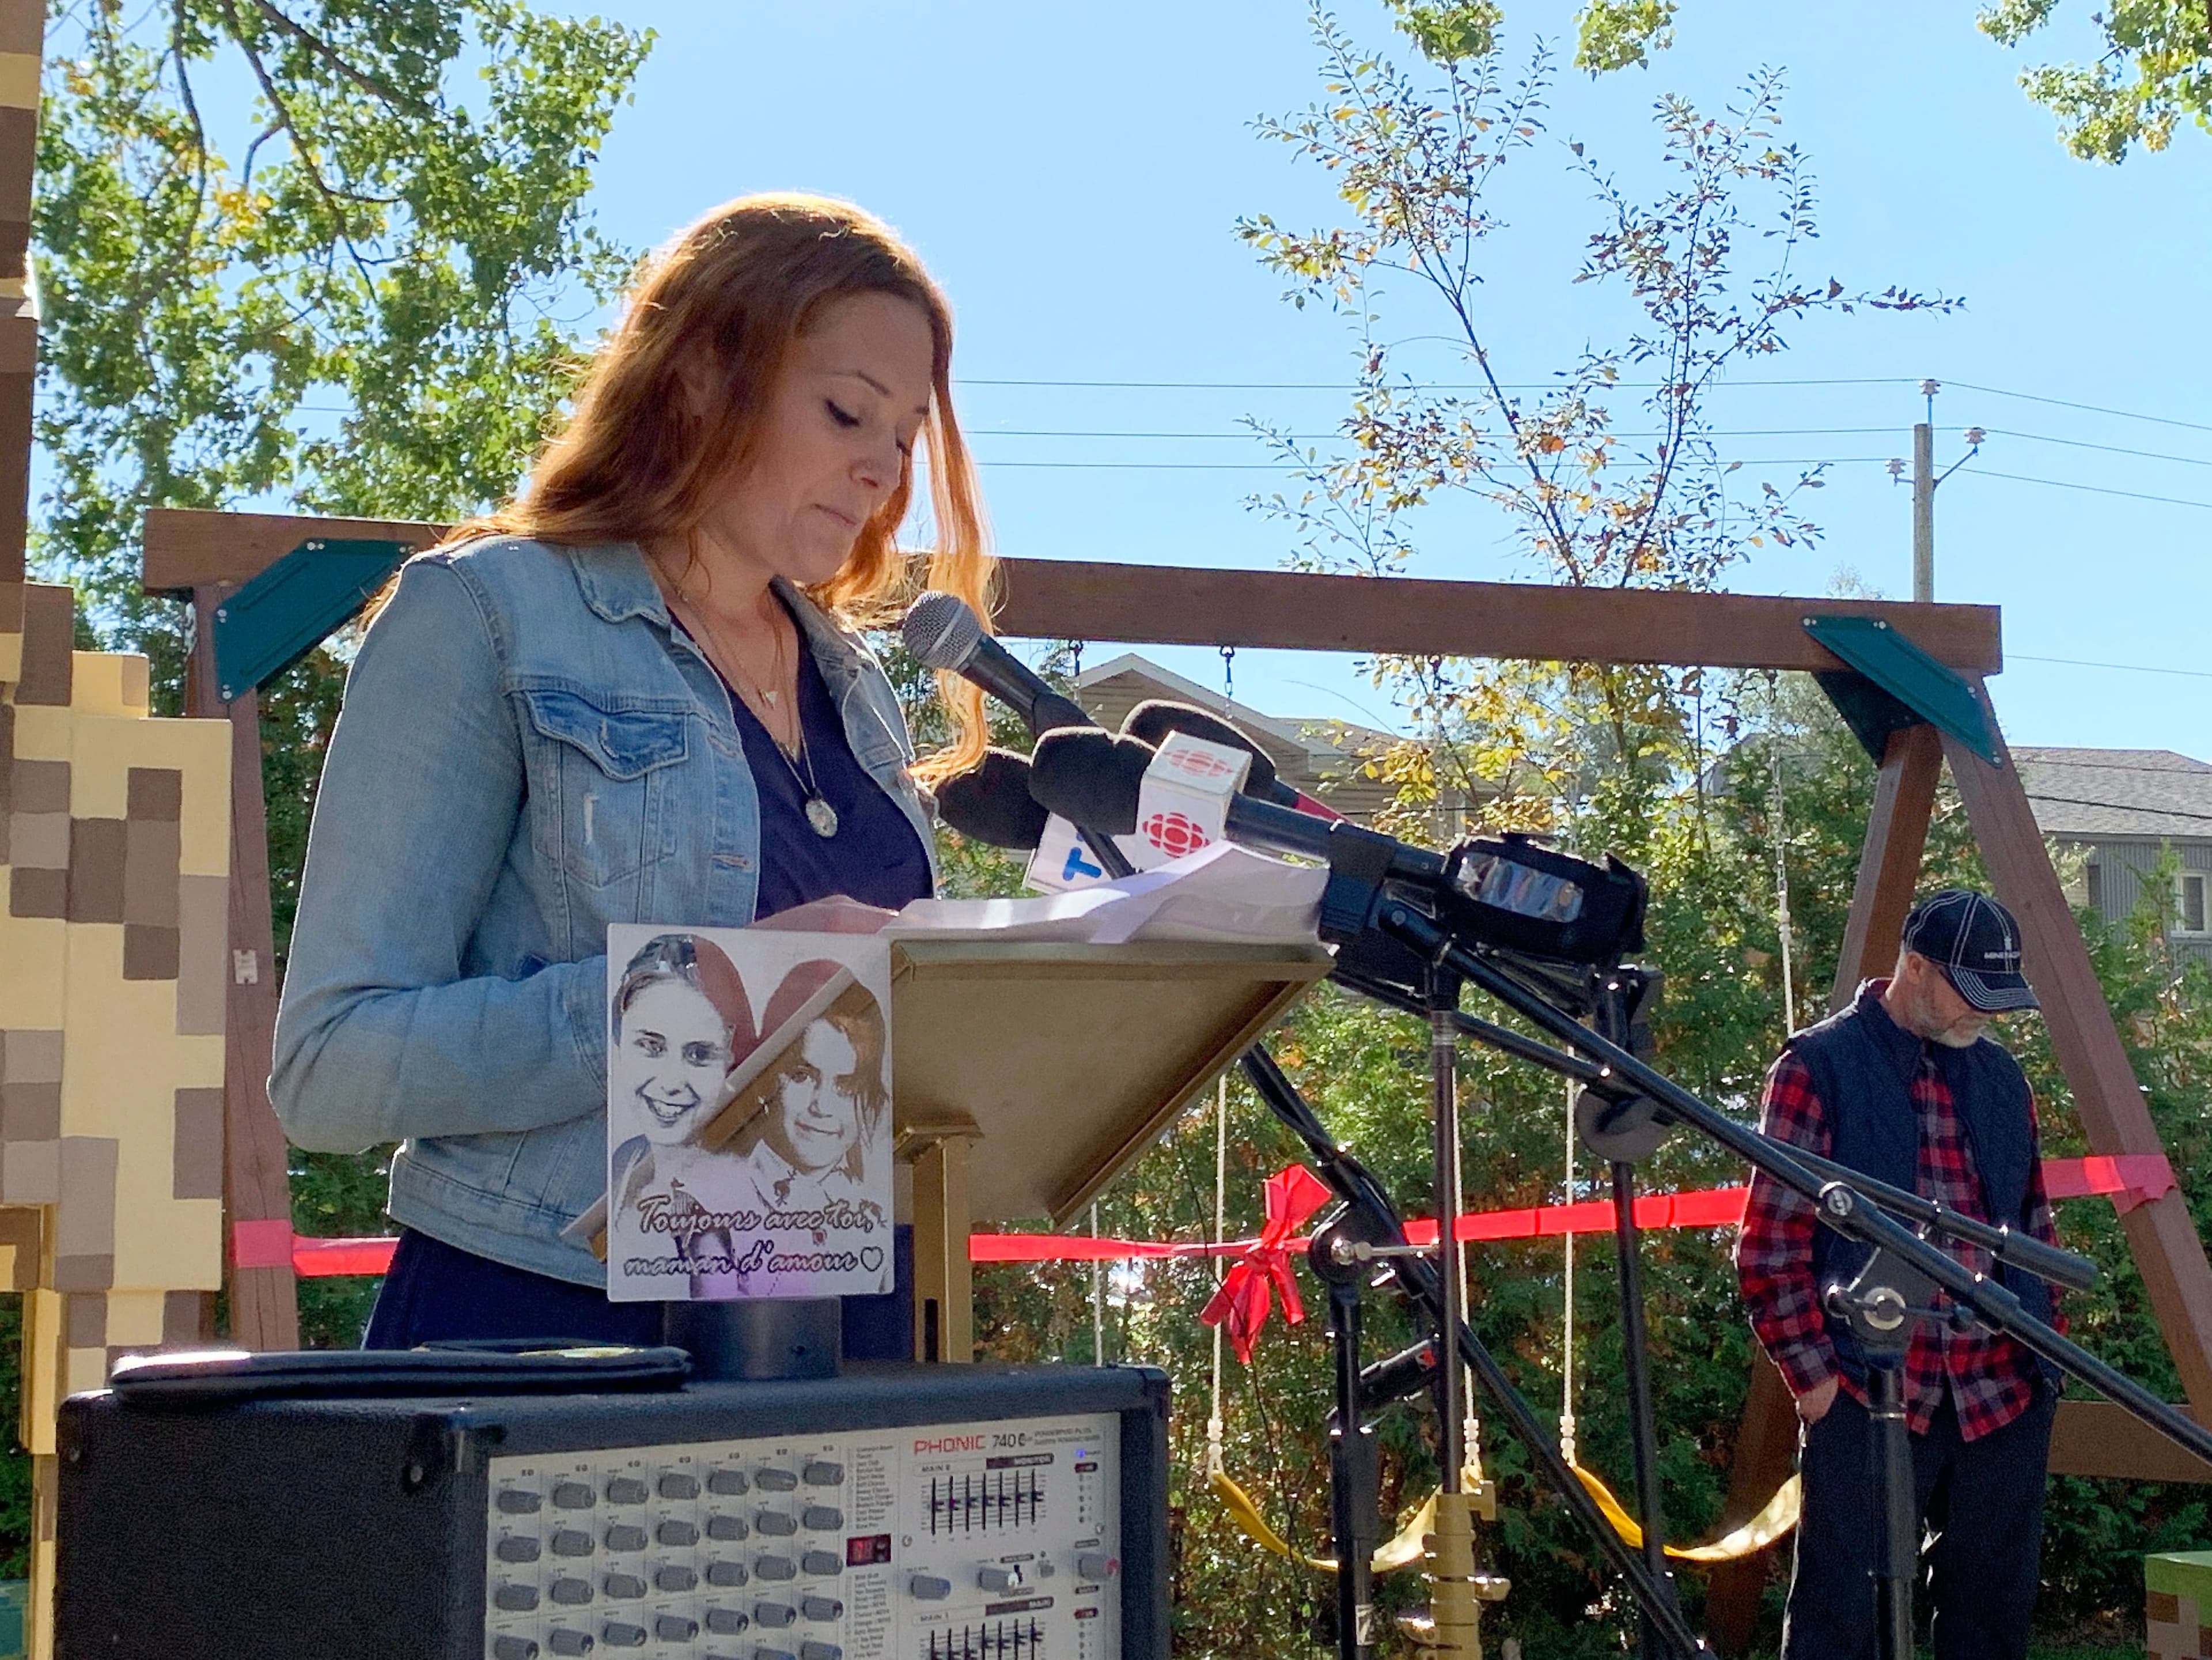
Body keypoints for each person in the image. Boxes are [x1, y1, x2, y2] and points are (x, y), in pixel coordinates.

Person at [268, 192, 992, 1348]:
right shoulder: (486, 616)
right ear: (701, 374)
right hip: (549, 1337)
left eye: (904, 435)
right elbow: (330, 1069)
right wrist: (697, 996)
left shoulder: (856, 684)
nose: (881, 470)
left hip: (844, 1337)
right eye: (848, 411)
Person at [1737, 889, 2064, 1660]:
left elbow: (2032, 1222)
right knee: (1841, 1627)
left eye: (2000, 995)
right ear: (1914, 967)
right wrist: (1817, 1384)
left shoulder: (2004, 1078)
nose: (1987, 1012)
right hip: (1866, 1389)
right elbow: (1770, 1243)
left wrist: (2044, 1350)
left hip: (2002, 1392)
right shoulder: (1817, 1066)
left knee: (1992, 1627)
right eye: (1972, 990)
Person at [604, 934, 755, 1298]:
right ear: (619, 1045)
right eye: (651, 1047)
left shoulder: (751, 1187)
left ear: (731, 1056)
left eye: (700, 1054)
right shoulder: (627, 1161)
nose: (672, 1083)